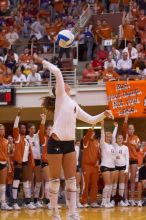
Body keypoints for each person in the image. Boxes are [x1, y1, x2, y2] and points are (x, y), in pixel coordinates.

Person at [33, 53, 113, 220]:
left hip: (69, 144)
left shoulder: (73, 104)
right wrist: (42, 62)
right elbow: (57, 72)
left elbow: (91, 119)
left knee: (71, 180)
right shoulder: (61, 97)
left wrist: (104, 114)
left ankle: (73, 213)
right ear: (58, 91)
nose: (66, 84)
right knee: (55, 181)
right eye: (63, 85)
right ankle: (55, 213)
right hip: (55, 142)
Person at [12, 108, 35, 210]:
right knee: (16, 182)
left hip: (25, 163)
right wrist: (18, 115)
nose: (23, 129)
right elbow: (15, 127)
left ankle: (27, 202)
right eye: (22, 128)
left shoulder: (26, 139)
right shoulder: (17, 138)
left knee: (26, 182)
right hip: (18, 162)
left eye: (24, 128)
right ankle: (14, 203)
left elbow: (29, 152)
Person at [26, 114, 46, 208]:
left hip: (37, 160)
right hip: (30, 161)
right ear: (28, 129)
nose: (33, 130)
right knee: (29, 181)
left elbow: (41, 129)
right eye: (31, 128)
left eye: (34, 128)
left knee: (38, 181)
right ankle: (29, 202)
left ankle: (36, 200)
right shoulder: (26, 138)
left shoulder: (37, 136)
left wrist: (43, 120)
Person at [122, 114, 140, 206]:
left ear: (134, 130)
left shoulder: (136, 138)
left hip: (134, 160)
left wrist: (136, 145)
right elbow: (124, 127)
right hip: (126, 160)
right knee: (125, 180)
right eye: (129, 128)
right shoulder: (125, 136)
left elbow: (139, 149)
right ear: (127, 130)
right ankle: (125, 200)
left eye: (132, 129)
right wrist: (126, 119)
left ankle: (132, 199)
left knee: (132, 180)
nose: (131, 130)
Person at [80, 128, 100, 208]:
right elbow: (87, 135)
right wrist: (92, 126)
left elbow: (98, 154)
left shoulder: (96, 142)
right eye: (91, 132)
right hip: (86, 165)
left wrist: (98, 161)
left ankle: (93, 201)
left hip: (94, 166)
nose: (92, 134)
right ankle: (84, 201)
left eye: (93, 132)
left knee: (94, 185)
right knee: (86, 184)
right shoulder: (85, 141)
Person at [110, 122, 129, 207]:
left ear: (123, 139)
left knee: (122, 183)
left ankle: (121, 200)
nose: (120, 139)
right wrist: (116, 127)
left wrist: (127, 169)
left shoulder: (125, 147)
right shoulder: (114, 145)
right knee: (114, 183)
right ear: (116, 139)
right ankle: (113, 200)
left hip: (123, 166)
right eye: (118, 138)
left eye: (121, 138)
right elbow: (113, 136)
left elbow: (127, 158)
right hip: (115, 166)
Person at [100, 120, 116, 208]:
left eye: (110, 137)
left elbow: (113, 156)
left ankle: (108, 201)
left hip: (112, 167)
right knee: (107, 185)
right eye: (107, 136)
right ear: (105, 137)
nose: (109, 138)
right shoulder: (103, 144)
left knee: (110, 185)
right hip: (105, 166)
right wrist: (102, 126)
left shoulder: (112, 146)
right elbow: (102, 136)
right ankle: (103, 202)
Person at [0, 124, 12, 210]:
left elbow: (8, 154)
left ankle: (3, 203)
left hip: (4, 163)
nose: (1, 131)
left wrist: (9, 165)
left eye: (3, 129)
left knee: (3, 185)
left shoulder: (6, 141)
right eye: (0, 129)